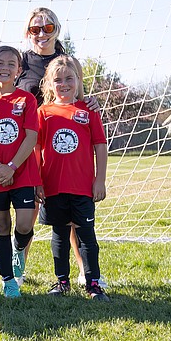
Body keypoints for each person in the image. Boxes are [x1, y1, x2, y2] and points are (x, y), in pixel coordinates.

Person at [15, 6, 93, 285]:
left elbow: (80, 95)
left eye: (48, 28)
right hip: (25, 148)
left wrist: (92, 102)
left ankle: (86, 271)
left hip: (59, 150)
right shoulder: (19, 62)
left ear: (57, 29)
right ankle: (17, 269)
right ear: (28, 32)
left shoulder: (68, 61)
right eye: (36, 29)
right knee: (27, 214)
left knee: (71, 214)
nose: (42, 34)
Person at [36, 55, 110, 301]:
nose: (64, 84)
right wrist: (37, 181)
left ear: (79, 81)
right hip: (53, 186)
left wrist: (99, 180)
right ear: (49, 84)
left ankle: (93, 284)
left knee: (86, 234)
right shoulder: (43, 112)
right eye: (57, 80)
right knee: (59, 234)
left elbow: (100, 145)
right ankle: (62, 281)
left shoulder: (89, 110)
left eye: (69, 78)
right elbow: (36, 149)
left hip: (82, 187)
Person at [0, 46, 41, 298]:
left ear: (19, 69)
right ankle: (8, 279)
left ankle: (18, 249)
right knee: (1, 224)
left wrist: (12, 166)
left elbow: (31, 137)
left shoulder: (27, 99)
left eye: (11, 64)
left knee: (24, 224)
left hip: (22, 172)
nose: (5, 68)